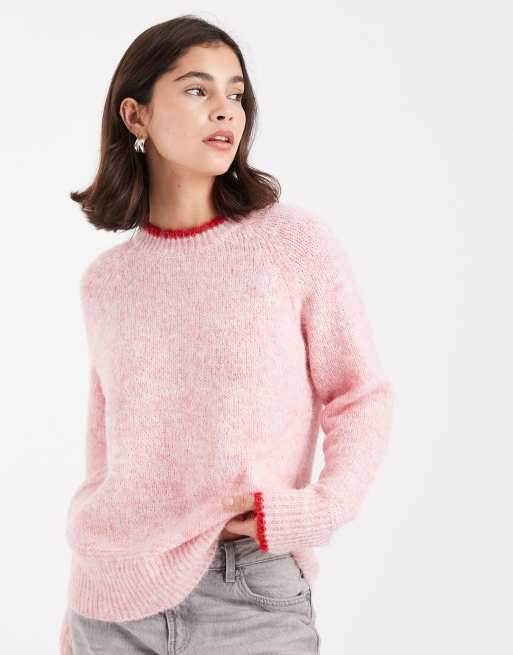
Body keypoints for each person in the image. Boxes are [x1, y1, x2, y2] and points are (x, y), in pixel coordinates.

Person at [59, 14, 394, 655]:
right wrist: (77, 616)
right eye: (197, 89)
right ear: (136, 115)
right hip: (109, 602)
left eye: (235, 94)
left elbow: (360, 394)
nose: (225, 111)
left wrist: (320, 509)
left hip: (250, 592)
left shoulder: (292, 243)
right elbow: (108, 455)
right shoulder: (107, 282)